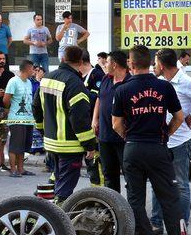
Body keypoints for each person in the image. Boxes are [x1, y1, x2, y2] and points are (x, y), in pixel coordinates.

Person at [112, 44, 191, 235]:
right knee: (169, 198)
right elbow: (179, 117)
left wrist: (129, 138)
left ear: (131, 64)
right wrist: (166, 135)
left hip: (133, 150)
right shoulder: (164, 87)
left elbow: (116, 124)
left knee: (136, 200)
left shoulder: (122, 90)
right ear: (150, 63)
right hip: (158, 148)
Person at [152, 48, 191, 232]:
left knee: (180, 185)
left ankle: (182, 226)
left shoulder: (186, 82)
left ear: (162, 65)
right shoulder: (160, 82)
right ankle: (156, 222)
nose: (154, 67)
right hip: (162, 141)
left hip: (180, 142)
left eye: (155, 63)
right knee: (158, 182)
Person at [32, 45, 97, 204]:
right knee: (64, 192)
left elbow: (36, 108)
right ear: (80, 62)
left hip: (51, 144)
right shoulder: (75, 84)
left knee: (56, 181)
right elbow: (79, 119)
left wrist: (42, 130)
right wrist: (89, 145)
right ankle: (57, 221)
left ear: (62, 59)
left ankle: (43, 212)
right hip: (69, 146)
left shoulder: (46, 78)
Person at [93, 51, 130, 192]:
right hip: (105, 137)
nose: (105, 64)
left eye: (107, 62)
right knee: (109, 176)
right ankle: (113, 209)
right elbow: (99, 98)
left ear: (114, 64)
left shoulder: (130, 82)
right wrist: (94, 118)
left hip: (123, 138)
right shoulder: (105, 79)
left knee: (129, 176)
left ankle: (131, 211)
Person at [3, 59, 36, 177]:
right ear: (27, 69)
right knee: (15, 145)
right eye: (32, 69)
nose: (34, 71)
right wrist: (12, 109)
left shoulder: (28, 82)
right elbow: (6, 100)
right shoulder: (13, 81)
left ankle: (21, 168)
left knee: (23, 145)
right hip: (16, 118)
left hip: (28, 118)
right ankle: (13, 169)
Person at [80, 50, 105, 186]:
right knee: (91, 164)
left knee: (97, 162)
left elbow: (97, 99)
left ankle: (100, 194)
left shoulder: (97, 75)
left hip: (96, 126)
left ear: (82, 62)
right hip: (85, 125)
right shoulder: (80, 76)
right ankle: (95, 191)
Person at [29, 66, 46, 156]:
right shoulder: (31, 82)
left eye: (39, 70)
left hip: (45, 109)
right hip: (35, 108)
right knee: (35, 130)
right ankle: (35, 148)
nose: (36, 72)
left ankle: (44, 147)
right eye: (35, 70)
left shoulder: (46, 81)